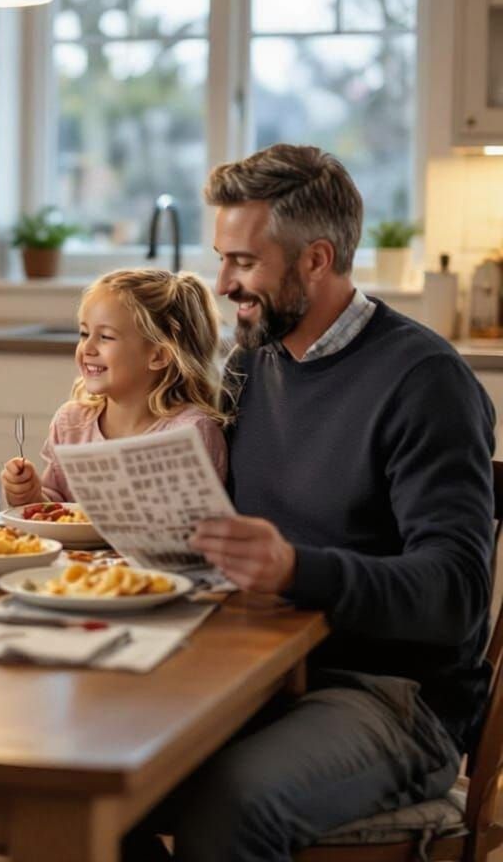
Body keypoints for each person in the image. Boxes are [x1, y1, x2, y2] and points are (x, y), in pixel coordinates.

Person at [122, 144, 496, 862]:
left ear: (317, 260)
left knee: (231, 805)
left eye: (244, 263)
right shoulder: (254, 360)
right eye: (222, 259)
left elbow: (455, 592)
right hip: (258, 666)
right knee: (92, 766)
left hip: (394, 697)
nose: (222, 284)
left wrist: (296, 568)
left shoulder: (425, 382)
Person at [0, 268, 227, 507]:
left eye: (106, 337)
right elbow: (55, 507)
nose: (87, 348)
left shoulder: (191, 433)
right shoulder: (71, 423)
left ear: (158, 355)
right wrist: (30, 496)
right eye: (84, 333)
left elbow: (199, 520)